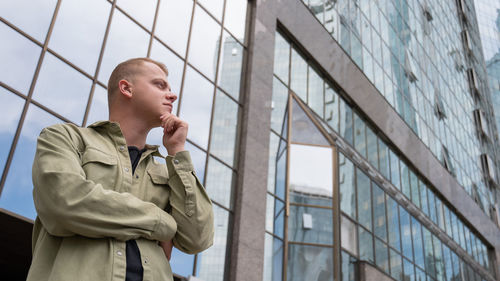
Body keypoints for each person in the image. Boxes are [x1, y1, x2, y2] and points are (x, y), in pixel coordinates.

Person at [26, 58, 214, 281]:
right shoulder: (65, 138)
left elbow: (197, 239)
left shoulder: (168, 173)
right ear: (126, 88)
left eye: (170, 89)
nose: (172, 95)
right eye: (160, 85)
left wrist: (177, 151)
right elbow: (65, 202)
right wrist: (161, 222)